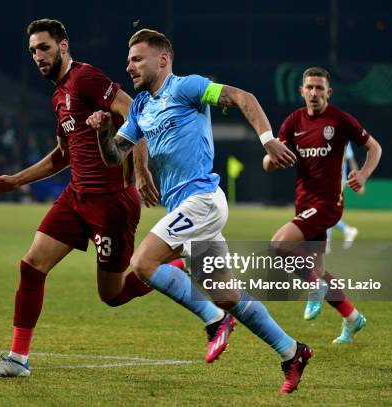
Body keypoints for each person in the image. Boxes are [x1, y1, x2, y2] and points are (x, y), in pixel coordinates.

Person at [88, 28, 310, 394]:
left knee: (144, 264)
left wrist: (268, 139)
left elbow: (242, 97)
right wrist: (101, 133)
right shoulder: (141, 107)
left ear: (163, 59)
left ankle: (213, 319)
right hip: (185, 210)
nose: (129, 67)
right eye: (128, 60)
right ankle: (291, 351)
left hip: (203, 200)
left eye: (137, 59)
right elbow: (116, 156)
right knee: (228, 294)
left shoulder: (187, 87)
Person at [0, 19, 201, 378]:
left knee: (111, 295)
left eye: (44, 48)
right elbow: (61, 155)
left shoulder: (85, 79)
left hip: (111, 202)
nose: (38, 56)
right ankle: (17, 359)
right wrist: (15, 180)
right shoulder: (57, 96)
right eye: (33, 50)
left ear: (63, 46)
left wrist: (141, 171)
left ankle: (175, 264)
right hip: (76, 197)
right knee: (31, 265)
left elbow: (133, 112)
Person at [264, 67, 382, 342]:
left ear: (329, 92)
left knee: (279, 245)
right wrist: (271, 159)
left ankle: (314, 286)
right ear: (301, 91)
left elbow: (374, 147)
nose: (314, 93)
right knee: (317, 270)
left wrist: (363, 174)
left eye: (320, 88)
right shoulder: (294, 121)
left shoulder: (339, 120)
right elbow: (269, 163)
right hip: (303, 203)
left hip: (328, 203)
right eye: (310, 87)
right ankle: (352, 318)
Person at [325, 142, 360, 253]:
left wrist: (358, 178)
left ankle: (326, 242)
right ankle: (347, 230)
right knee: (325, 211)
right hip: (324, 179)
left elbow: (351, 159)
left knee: (326, 211)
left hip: (337, 180)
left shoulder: (342, 136)